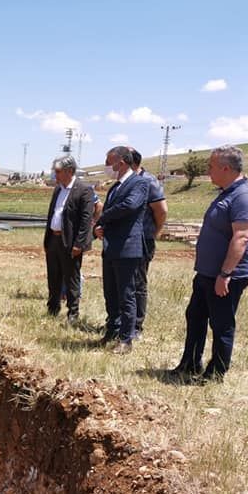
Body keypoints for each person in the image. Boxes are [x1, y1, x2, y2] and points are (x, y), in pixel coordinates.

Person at [169, 145, 248, 382]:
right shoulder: (226, 193)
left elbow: (241, 237)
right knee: (196, 316)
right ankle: (189, 364)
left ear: (226, 168)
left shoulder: (244, 197)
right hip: (207, 273)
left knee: (221, 324)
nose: (207, 171)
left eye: (210, 166)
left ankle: (216, 373)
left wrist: (225, 273)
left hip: (225, 276)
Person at [93, 146, 150, 354]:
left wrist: (103, 218)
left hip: (127, 248)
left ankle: (126, 339)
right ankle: (112, 331)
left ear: (122, 162)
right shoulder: (115, 186)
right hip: (111, 246)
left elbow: (129, 206)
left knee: (126, 294)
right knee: (111, 293)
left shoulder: (140, 183)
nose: (108, 166)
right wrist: (101, 228)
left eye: (110, 162)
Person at [43, 155, 95, 323]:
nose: (55, 175)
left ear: (70, 171)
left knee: (71, 277)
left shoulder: (84, 190)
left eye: (58, 172)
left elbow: (86, 220)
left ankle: (73, 312)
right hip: (53, 239)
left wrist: (79, 244)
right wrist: (47, 240)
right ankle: (53, 307)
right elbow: (53, 214)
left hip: (70, 242)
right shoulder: (58, 189)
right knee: (53, 275)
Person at [130, 149, 168, 338]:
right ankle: (123, 321)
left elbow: (161, 211)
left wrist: (154, 234)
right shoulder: (125, 182)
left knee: (138, 282)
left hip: (142, 240)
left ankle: (136, 325)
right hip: (125, 241)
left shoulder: (149, 181)